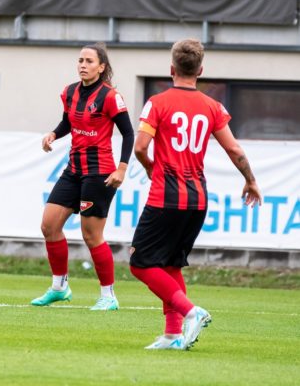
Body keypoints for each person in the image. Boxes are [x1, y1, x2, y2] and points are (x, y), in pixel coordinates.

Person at [131, 39, 261, 350]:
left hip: (167, 196)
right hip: (197, 198)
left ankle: (192, 312)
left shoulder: (157, 102)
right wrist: (250, 180)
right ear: (200, 70)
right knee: (171, 265)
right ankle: (173, 335)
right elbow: (235, 149)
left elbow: (139, 147)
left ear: (171, 69)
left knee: (140, 263)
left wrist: (150, 166)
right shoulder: (213, 106)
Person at [34, 43, 134, 311]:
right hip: (73, 170)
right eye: (80, 60)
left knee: (91, 235)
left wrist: (122, 168)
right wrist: (54, 134)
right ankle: (59, 287)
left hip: (99, 173)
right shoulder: (69, 92)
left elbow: (128, 133)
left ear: (101, 67)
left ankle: (108, 295)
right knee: (49, 225)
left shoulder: (111, 96)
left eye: (89, 61)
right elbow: (68, 121)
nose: (82, 64)